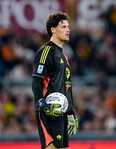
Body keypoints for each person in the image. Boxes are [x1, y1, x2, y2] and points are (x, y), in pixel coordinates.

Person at [32, 11, 78, 149]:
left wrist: (71, 112)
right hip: (49, 110)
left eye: (68, 27)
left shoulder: (64, 56)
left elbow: (67, 87)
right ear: (53, 30)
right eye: (63, 26)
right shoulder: (46, 51)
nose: (68, 30)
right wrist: (41, 103)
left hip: (62, 111)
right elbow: (36, 81)